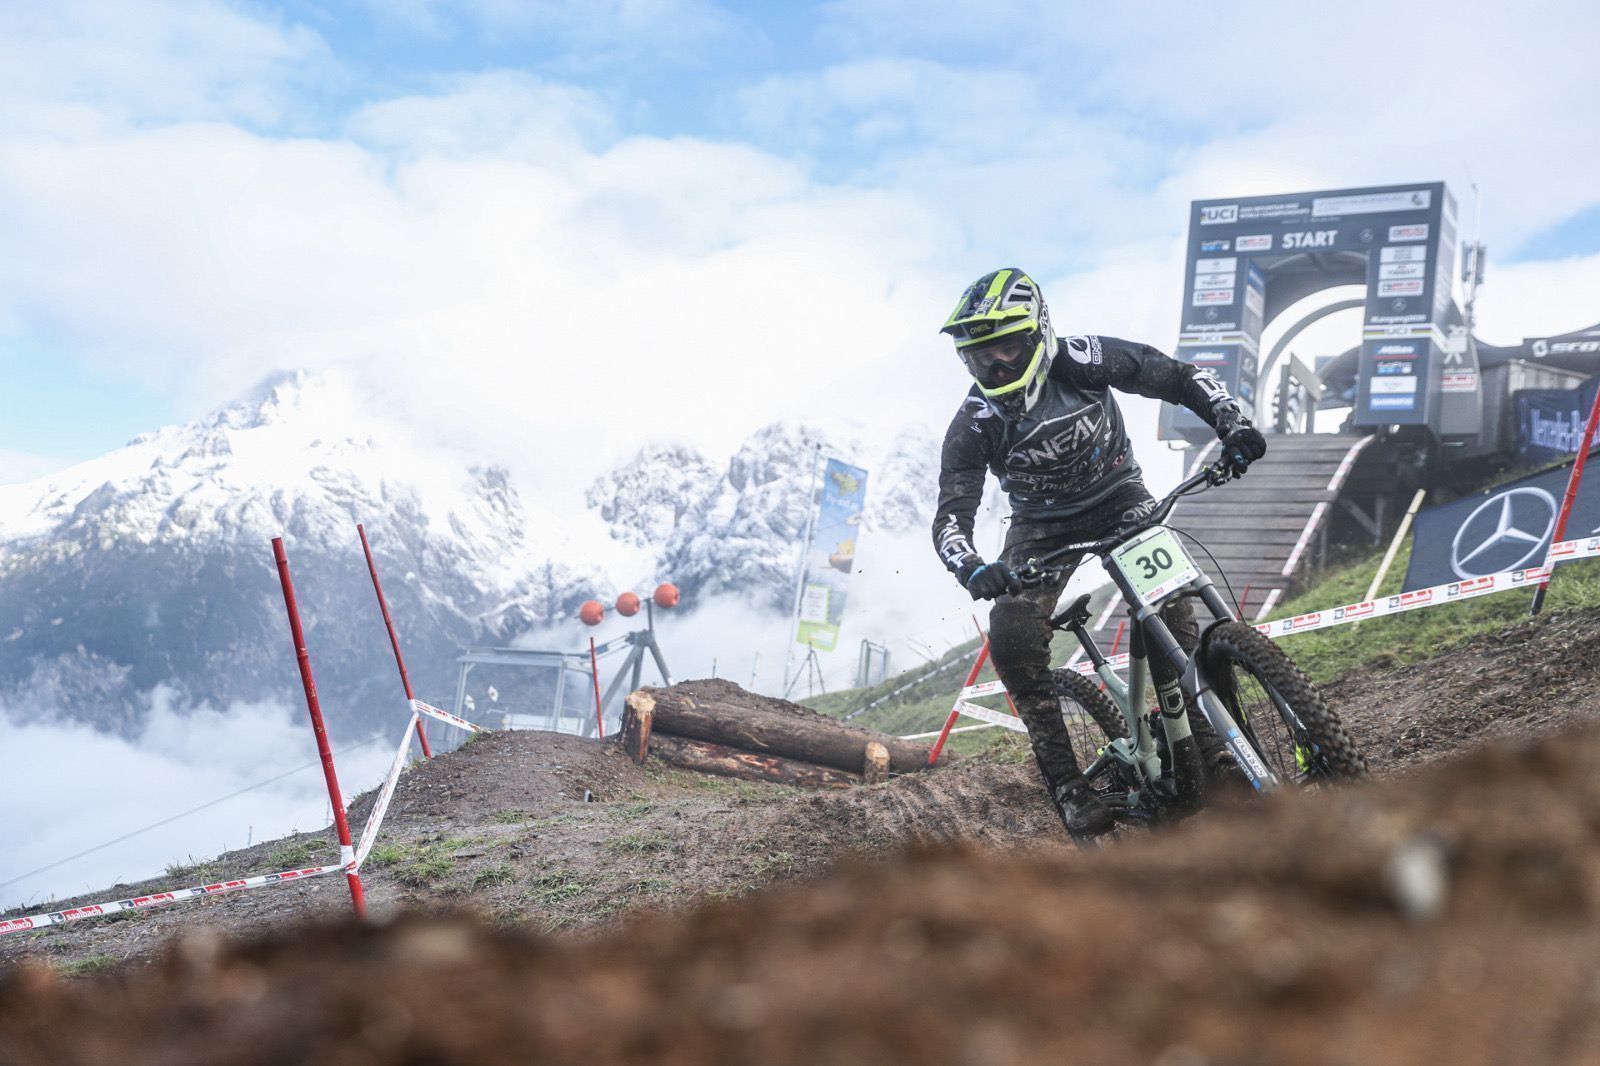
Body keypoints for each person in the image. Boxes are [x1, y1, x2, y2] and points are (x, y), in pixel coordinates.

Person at [931, 267, 1266, 840]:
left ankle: (1215, 750)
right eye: (982, 358)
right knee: (1011, 634)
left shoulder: (1085, 359)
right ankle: (1069, 787)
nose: (998, 368)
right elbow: (949, 518)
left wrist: (1230, 423)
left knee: (1172, 613)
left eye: (1008, 350)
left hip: (1121, 499)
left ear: (1039, 334)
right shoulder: (975, 423)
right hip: (1041, 530)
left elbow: (1180, 377)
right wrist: (974, 568)